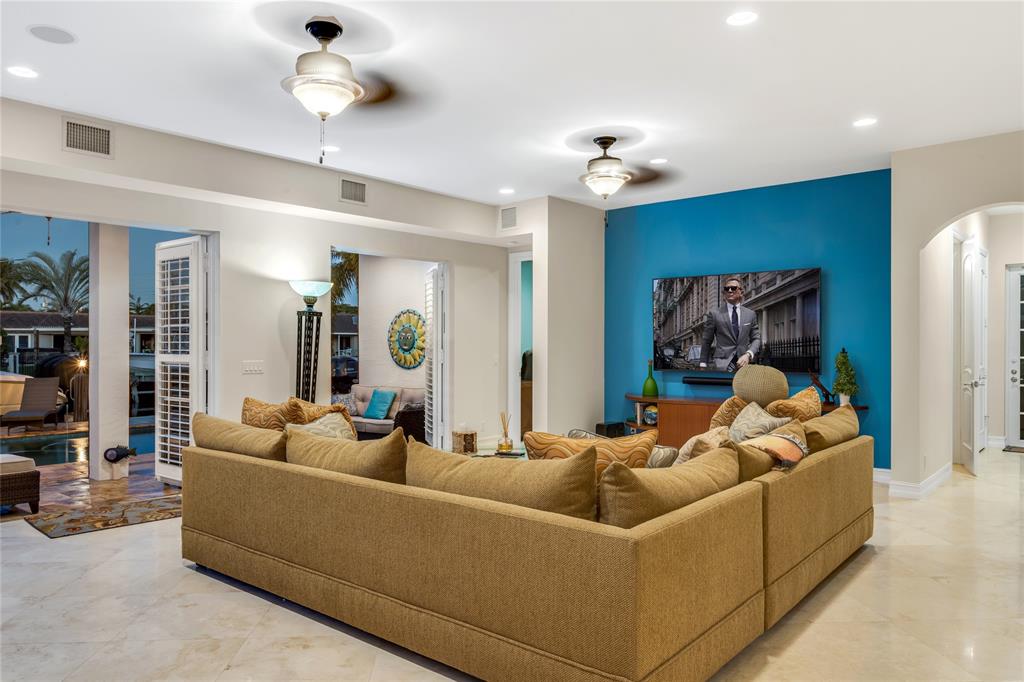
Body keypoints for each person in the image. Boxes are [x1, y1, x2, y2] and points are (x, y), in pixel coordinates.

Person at [699, 276, 761, 371]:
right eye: (727, 289)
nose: (730, 291)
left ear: (741, 292)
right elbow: (707, 340)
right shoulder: (714, 314)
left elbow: (756, 338)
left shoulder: (750, 314)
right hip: (721, 366)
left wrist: (748, 354)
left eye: (733, 288)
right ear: (724, 293)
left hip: (744, 365)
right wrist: (703, 364)